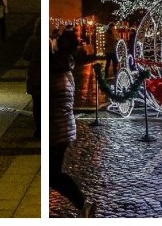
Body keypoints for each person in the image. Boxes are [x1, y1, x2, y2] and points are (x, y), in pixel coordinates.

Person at [50, 28, 95, 218]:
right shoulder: (66, 63)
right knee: (53, 173)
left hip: (56, 128)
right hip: (63, 127)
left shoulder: (55, 66)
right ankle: (83, 204)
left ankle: (83, 203)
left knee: (53, 174)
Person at [23, 19, 41, 139]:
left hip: (35, 75)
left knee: (37, 104)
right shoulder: (49, 40)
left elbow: (26, 55)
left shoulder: (32, 40)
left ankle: (38, 128)